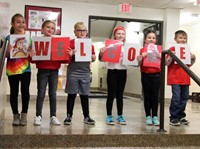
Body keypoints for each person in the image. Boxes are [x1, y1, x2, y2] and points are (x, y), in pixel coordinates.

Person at [30, 20, 69, 126]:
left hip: (54, 71)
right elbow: (33, 61)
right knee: (41, 93)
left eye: (52, 28)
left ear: (55, 31)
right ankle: (38, 115)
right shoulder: (38, 42)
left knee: (53, 94)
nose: (50, 29)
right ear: (42, 29)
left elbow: (64, 60)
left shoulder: (58, 43)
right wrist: (31, 55)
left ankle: (53, 116)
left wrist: (69, 55)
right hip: (42, 71)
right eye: (48, 27)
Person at [63, 22, 96, 125]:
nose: (82, 32)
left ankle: (86, 116)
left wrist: (94, 58)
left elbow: (93, 57)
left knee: (84, 95)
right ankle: (69, 116)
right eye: (79, 30)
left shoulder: (90, 44)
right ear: (75, 32)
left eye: (84, 30)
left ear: (86, 32)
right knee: (71, 94)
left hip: (85, 71)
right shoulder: (70, 43)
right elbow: (65, 59)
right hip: (73, 71)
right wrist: (70, 55)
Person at [5, 13, 31, 126]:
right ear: (12, 24)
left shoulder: (28, 38)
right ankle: (15, 115)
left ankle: (24, 114)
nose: (21, 24)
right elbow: (5, 55)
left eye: (23, 22)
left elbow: (32, 55)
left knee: (25, 91)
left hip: (25, 69)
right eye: (18, 22)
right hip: (12, 69)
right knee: (13, 92)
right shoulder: (8, 38)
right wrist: (7, 50)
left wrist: (31, 53)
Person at [166, 30, 196, 126]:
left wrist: (193, 58)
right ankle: (173, 117)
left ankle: (181, 115)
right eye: (180, 38)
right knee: (176, 97)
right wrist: (171, 55)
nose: (182, 40)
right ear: (175, 39)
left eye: (184, 38)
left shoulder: (187, 50)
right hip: (175, 77)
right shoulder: (172, 48)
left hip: (185, 77)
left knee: (185, 97)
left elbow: (189, 65)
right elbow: (167, 63)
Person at [99, 26, 127, 125]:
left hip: (122, 72)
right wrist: (101, 53)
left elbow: (132, 60)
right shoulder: (109, 45)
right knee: (111, 95)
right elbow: (101, 59)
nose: (120, 35)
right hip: (112, 72)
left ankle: (120, 116)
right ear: (114, 35)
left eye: (123, 34)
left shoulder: (127, 47)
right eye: (118, 33)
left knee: (120, 95)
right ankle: (109, 116)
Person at [137, 30, 161, 126]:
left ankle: (155, 116)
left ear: (156, 40)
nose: (151, 39)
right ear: (145, 40)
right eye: (149, 37)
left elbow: (165, 63)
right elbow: (138, 63)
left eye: (153, 38)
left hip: (157, 75)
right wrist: (141, 58)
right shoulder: (142, 50)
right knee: (147, 96)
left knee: (155, 96)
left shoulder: (160, 50)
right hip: (145, 74)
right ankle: (148, 116)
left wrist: (161, 57)